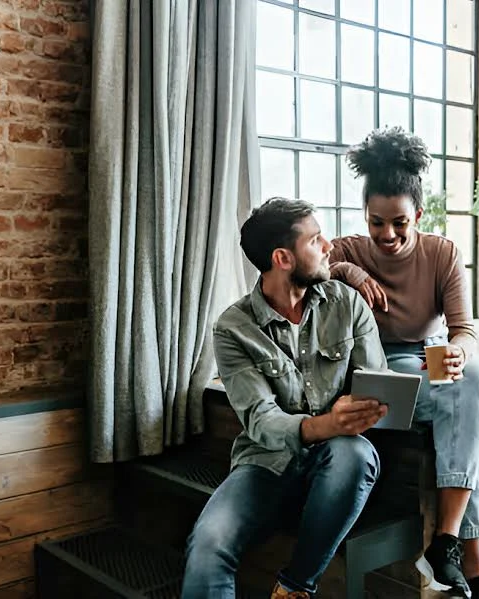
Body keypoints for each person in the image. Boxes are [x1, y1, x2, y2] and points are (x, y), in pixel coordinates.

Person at [182, 198, 389, 599]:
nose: (329, 246)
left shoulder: (347, 304)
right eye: (315, 240)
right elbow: (261, 420)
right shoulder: (233, 329)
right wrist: (327, 423)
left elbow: (377, 385)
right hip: (264, 463)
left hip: (336, 460)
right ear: (283, 258)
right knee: (207, 544)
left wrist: (364, 410)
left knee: (356, 454)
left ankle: (294, 587)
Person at [329, 127, 479, 599]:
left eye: (399, 223)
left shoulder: (442, 253)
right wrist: (351, 270)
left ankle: (444, 540)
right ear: (365, 216)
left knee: (477, 378)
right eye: (377, 222)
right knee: (473, 419)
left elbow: (465, 328)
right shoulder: (348, 249)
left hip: (427, 359)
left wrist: (460, 350)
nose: (387, 235)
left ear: (419, 215)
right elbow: (314, 270)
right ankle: (473, 561)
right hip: (380, 367)